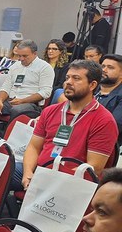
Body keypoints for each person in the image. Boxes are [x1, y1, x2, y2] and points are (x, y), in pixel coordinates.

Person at [14, 60, 117, 190]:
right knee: (1, 169)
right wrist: (28, 173)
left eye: (76, 78)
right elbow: (34, 147)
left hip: (70, 182)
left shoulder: (103, 120)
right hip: (39, 171)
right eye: (67, 77)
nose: (68, 82)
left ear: (92, 85)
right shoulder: (50, 111)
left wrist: (50, 179)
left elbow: (94, 168)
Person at [0, 40, 54, 134]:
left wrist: (22, 101)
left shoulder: (45, 67)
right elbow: (6, 86)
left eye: (25, 56)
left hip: (31, 103)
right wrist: (0, 100)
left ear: (34, 53)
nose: (21, 59)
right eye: (19, 55)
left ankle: (8, 138)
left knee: (17, 110)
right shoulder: (15, 66)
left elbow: (45, 92)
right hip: (10, 100)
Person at [96, 54, 122, 145]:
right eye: (103, 66)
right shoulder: (91, 88)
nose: (104, 70)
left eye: (110, 67)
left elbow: (113, 126)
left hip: (105, 144)